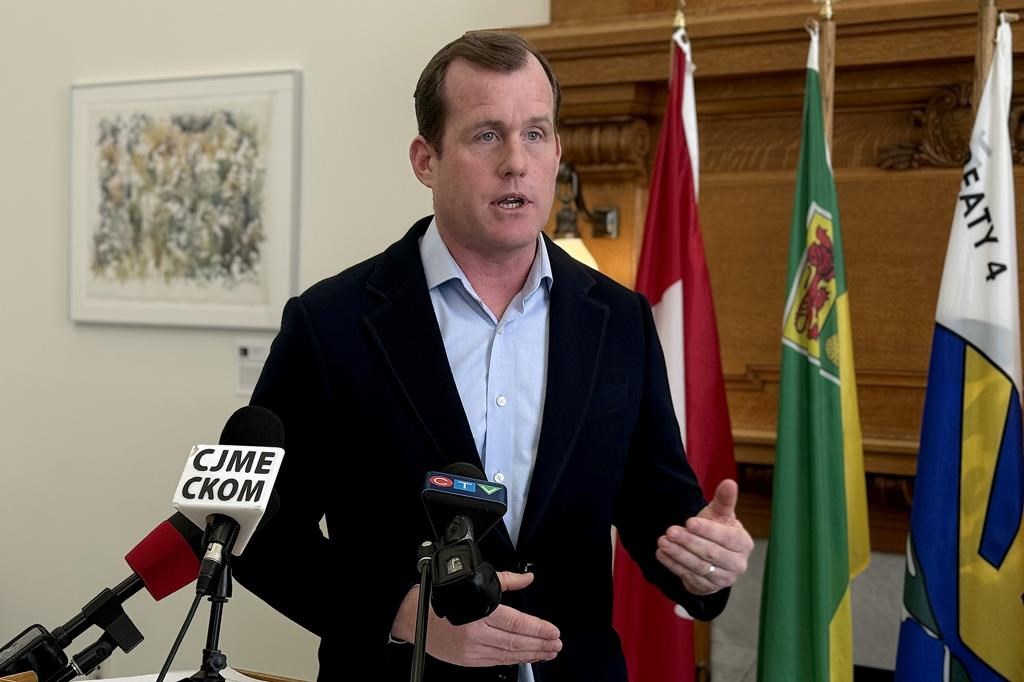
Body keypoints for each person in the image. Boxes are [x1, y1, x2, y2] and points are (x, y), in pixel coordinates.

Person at [232, 30, 754, 682]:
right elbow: (254, 534)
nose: (516, 162)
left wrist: (704, 558)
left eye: (535, 134)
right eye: (486, 135)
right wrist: (404, 612)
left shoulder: (618, 321)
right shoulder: (330, 324)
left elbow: (658, 515)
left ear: (557, 151)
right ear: (427, 159)